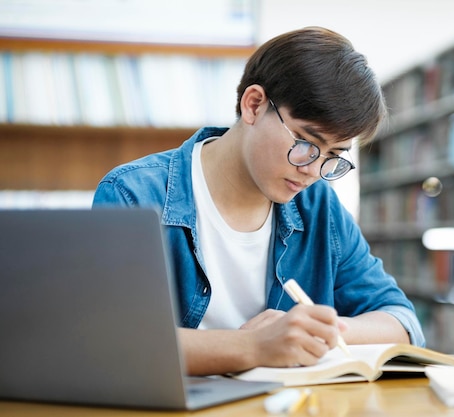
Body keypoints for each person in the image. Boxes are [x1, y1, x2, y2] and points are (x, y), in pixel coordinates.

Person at [93, 26, 425, 376]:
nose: (313, 170)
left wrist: (312, 331)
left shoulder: (318, 207)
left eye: (333, 155)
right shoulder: (134, 194)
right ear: (253, 104)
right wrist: (257, 346)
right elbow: (115, 342)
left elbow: (401, 320)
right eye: (306, 143)